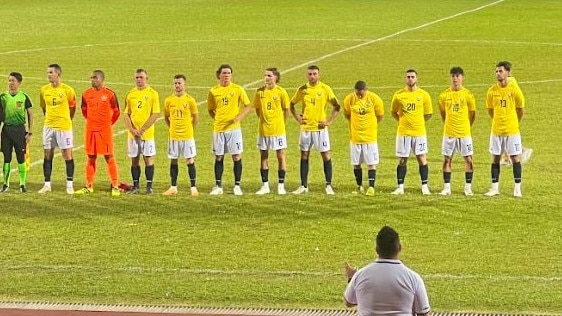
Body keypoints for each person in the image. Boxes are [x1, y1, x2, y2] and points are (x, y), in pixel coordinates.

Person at [343, 226, 431, 316]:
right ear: (399, 248)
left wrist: (351, 279)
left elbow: (349, 302)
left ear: (376, 250)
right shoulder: (414, 278)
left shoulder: (360, 275)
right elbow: (423, 313)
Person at [290, 65, 341, 195]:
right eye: (310, 74)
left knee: (325, 155)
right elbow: (291, 104)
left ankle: (328, 185)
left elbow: (337, 106)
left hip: (320, 129)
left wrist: (328, 122)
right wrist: (298, 118)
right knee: (304, 155)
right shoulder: (302, 89)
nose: (312, 76)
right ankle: (303, 186)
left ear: (319, 75)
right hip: (306, 128)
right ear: (306, 75)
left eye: (314, 74)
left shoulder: (325, 89)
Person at [207, 64, 253, 196]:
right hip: (218, 129)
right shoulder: (213, 91)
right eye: (224, 73)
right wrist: (217, 119)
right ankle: (218, 186)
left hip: (234, 130)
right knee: (219, 157)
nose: (226, 75)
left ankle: (237, 186)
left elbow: (249, 106)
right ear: (219, 75)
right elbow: (210, 109)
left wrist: (239, 117)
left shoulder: (238, 89)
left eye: (228, 73)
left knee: (236, 156)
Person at [74, 70, 121, 196]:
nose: (92, 80)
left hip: (104, 131)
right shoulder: (86, 94)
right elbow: (84, 110)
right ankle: (89, 186)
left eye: (95, 78)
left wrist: (108, 123)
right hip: (90, 130)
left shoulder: (110, 94)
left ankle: (115, 185)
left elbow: (116, 111)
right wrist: (92, 121)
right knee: (90, 157)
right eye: (91, 78)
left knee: (109, 156)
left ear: (101, 79)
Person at [484, 61, 525, 197]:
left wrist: (513, 121)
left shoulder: (514, 89)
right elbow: (490, 110)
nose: (498, 74)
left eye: (501, 71)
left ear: (508, 73)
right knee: (495, 158)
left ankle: (517, 188)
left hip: (512, 130)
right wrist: (498, 120)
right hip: (496, 131)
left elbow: (520, 108)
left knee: (515, 158)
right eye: (496, 71)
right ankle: (495, 188)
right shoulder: (491, 91)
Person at [390, 69, 433, 195]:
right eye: (408, 77)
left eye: (412, 76)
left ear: (416, 79)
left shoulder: (424, 95)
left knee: (422, 158)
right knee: (403, 159)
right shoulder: (398, 95)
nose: (410, 79)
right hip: (403, 133)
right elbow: (393, 112)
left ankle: (425, 186)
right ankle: (400, 187)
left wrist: (418, 122)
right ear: (405, 79)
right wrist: (401, 121)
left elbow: (429, 114)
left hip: (419, 133)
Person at [38, 64, 76, 194]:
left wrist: (66, 120)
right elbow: (44, 107)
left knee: (67, 154)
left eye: (50, 72)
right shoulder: (44, 90)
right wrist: (50, 119)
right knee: (48, 154)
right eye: (47, 72)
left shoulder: (68, 90)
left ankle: (69, 185)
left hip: (64, 127)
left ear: (58, 74)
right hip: (48, 127)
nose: (48, 75)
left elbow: (72, 107)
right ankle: (47, 184)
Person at [438, 67, 476, 196]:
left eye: (458, 76)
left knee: (468, 160)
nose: (455, 78)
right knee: (447, 159)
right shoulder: (443, 96)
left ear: (462, 77)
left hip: (464, 133)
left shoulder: (468, 95)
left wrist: (466, 126)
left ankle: (468, 187)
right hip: (449, 133)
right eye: (453, 76)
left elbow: (472, 114)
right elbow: (443, 114)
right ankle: (447, 187)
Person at [342, 80, 384, 197]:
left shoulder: (374, 99)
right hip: (355, 138)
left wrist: (370, 126)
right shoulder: (349, 99)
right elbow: (347, 114)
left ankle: (371, 187)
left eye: (361, 93)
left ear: (366, 90)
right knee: (356, 163)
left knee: (371, 163)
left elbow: (379, 116)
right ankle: (359, 186)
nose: (359, 95)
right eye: (357, 93)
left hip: (370, 138)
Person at [253, 67, 291, 195]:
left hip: (278, 130)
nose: (266, 78)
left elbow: (287, 110)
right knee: (263, 156)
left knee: (280, 156)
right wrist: (263, 120)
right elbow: (257, 109)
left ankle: (281, 185)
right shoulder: (259, 92)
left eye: (269, 75)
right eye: (265, 75)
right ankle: (265, 186)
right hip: (263, 130)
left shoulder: (281, 92)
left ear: (276, 77)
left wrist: (281, 123)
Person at [123, 69, 160, 194]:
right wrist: (132, 130)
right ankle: (136, 186)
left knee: (148, 158)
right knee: (134, 159)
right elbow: (126, 114)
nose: (139, 80)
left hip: (147, 134)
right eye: (137, 77)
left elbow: (155, 114)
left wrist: (142, 129)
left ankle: (149, 187)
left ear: (146, 78)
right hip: (133, 135)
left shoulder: (153, 94)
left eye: (141, 77)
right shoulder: (130, 94)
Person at [162, 74, 199, 197]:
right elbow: (166, 117)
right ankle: (173, 187)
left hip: (187, 136)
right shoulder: (168, 100)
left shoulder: (190, 100)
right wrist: (172, 127)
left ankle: (193, 187)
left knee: (189, 160)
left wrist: (189, 129)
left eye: (179, 83)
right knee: (173, 160)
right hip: (173, 136)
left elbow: (196, 118)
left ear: (184, 84)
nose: (177, 85)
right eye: (175, 83)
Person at [0, 72, 33, 193]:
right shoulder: (2, 97)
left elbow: (30, 114)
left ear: (19, 83)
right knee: (6, 158)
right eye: (9, 80)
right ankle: (5, 184)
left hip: (19, 130)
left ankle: (22, 184)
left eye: (13, 81)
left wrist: (29, 132)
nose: (10, 83)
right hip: (6, 131)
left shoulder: (24, 97)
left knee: (21, 157)